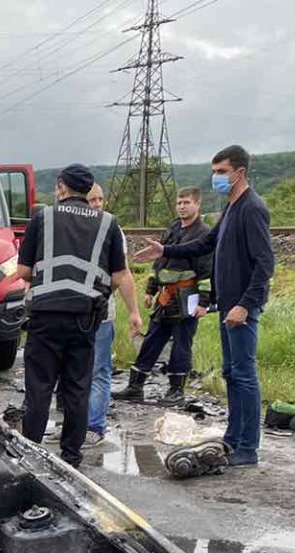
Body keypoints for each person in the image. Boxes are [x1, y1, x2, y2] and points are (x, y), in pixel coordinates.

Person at [136, 145, 274, 466]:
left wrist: (245, 304)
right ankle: (233, 438)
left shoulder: (252, 208)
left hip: (241, 308)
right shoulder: (231, 207)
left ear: (239, 172)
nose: (216, 178)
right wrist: (165, 250)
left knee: (244, 375)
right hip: (228, 306)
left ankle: (247, 448)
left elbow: (265, 262)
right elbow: (206, 243)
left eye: (222, 172)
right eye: (214, 172)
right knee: (232, 373)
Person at [15, 164, 142, 467]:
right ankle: (71, 455)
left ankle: (30, 453)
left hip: (45, 315)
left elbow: (23, 271)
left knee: (39, 387)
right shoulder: (108, 223)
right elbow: (119, 275)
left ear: (61, 187)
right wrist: (119, 304)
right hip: (84, 317)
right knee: (77, 387)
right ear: (88, 191)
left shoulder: (42, 218)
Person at [119, 186, 213, 405]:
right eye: (179, 203)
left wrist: (203, 303)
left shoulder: (203, 234)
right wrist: (150, 290)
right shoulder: (173, 228)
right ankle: (135, 387)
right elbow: (160, 261)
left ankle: (176, 391)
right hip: (165, 297)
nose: (182, 207)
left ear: (198, 204)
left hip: (187, 297)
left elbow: (206, 271)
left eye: (187, 202)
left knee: (181, 343)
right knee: (152, 339)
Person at [83, 182, 117, 444]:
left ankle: (94, 426)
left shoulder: (111, 228)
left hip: (102, 314)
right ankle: (75, 424)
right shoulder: (76, 229)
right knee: (76, 371)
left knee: (98, 371)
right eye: (91, 200)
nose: (96, 204)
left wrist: (99, 296)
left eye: (100, 199)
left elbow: (119, 274)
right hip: (76, 312)